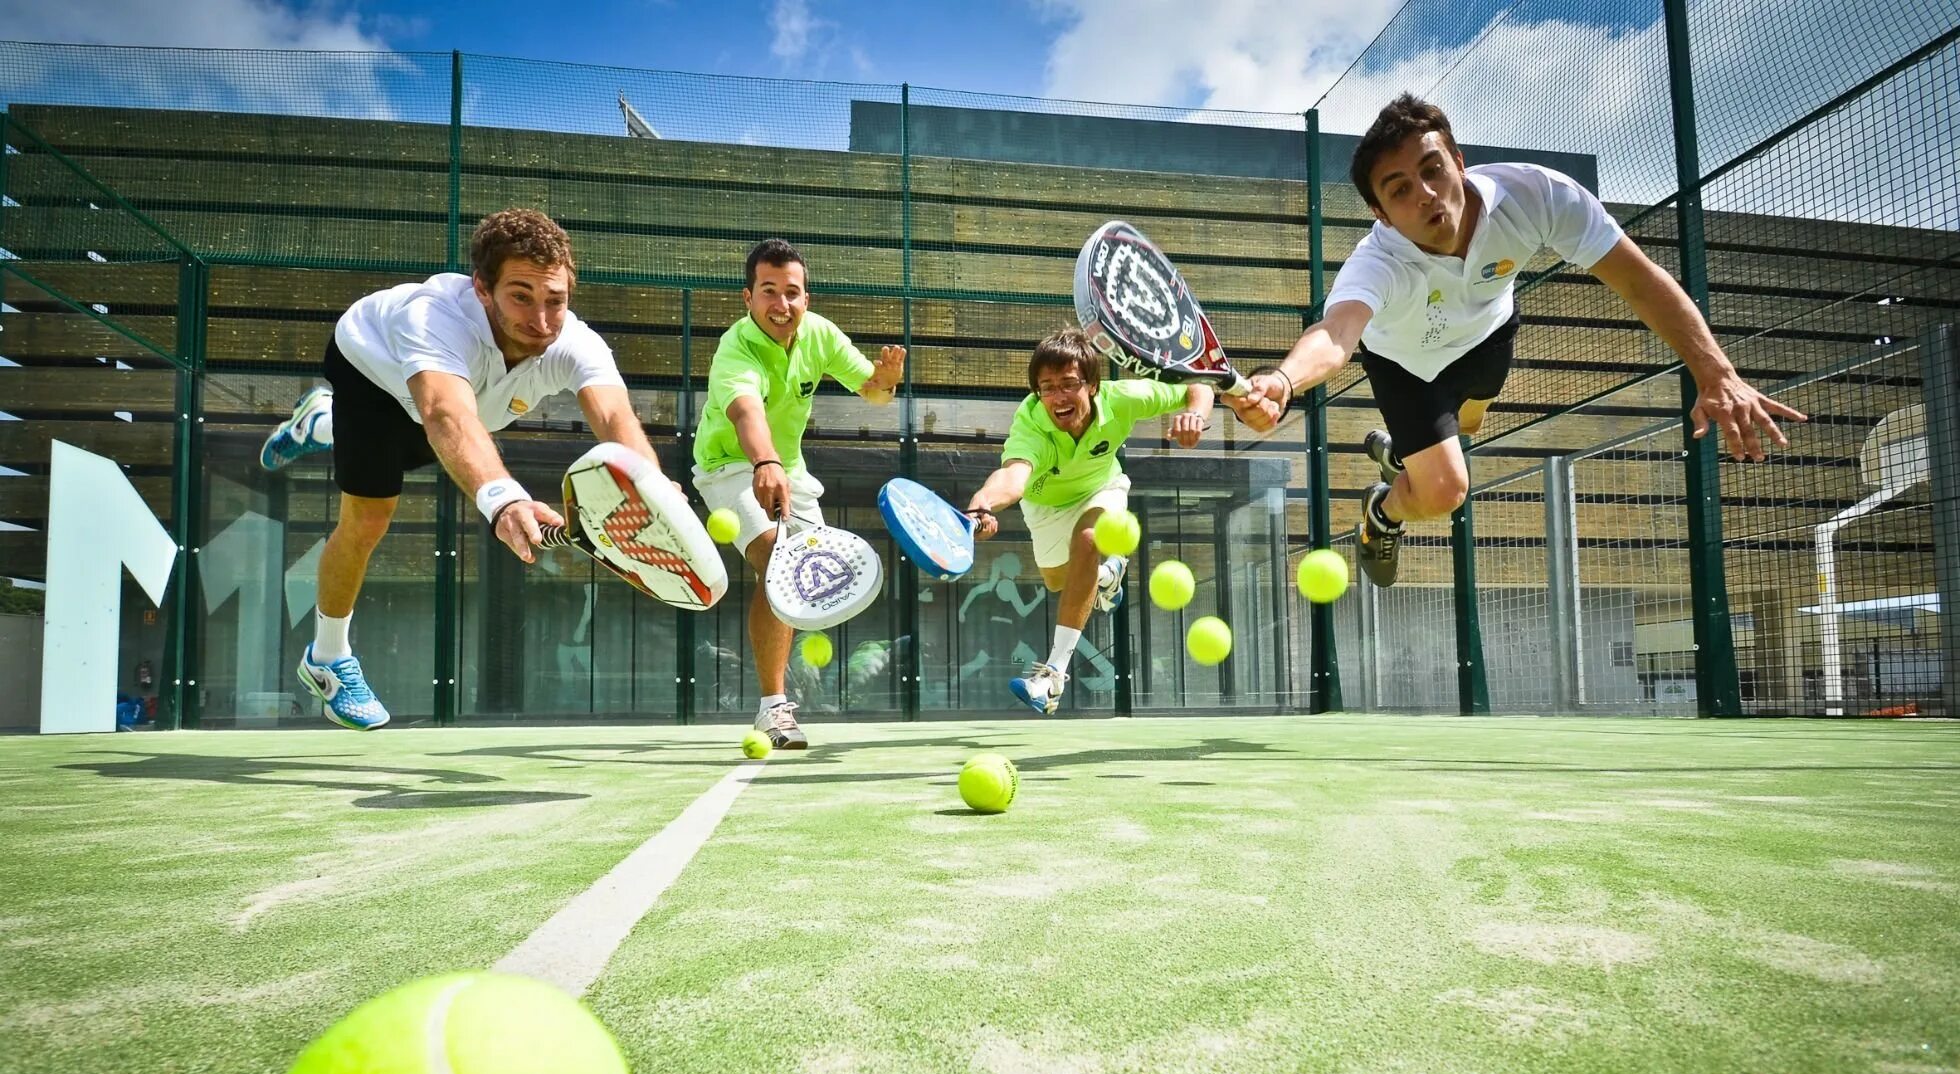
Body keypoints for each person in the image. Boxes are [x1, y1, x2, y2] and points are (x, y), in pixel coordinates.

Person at [1222, 94, 1805, 587]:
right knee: (1447, 490)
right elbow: (1336, 333)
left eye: (1432, 169)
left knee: (1467, 430)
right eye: (1399, 189)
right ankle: (1383, 510)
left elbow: (1638, 279)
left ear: (1458, 160)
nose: (1424, 193)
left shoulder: (1537, 196)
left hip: (1488, 335)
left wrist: (1717, 372)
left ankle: (1401, 453)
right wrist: (1282, 379)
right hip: (1405, 365)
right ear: (1380, 212)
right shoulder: (1377, 263)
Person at [258, 208, 673, 729]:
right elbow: (444, 414)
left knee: (434, 447)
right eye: (521, 296)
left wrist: (652, 489)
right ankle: (327, 658)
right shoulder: (433, 318)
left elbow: (616, 417)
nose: (541, 321)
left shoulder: (574, 341)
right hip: (374, 372)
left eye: (556, 300)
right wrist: (505, 500)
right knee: (370, 516)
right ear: (482, 288)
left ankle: (321, 423)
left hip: (460, 403)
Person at [693, 238, 905, 749]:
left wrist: (889, 380)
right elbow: (746, 412)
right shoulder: (735, 347)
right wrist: (764, 462)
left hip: (791, 472)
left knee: (806, 579)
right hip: (728, 465)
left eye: (792, 292)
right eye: (769, 291)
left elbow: (872, 392)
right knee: (776, 561)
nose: (781, 304)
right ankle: (773, 708)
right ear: (748, 298)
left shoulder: (820, 335)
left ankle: (790, 680)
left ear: (806, 298)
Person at [963, 326, 1214, 715]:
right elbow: (1013, 477)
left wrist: (1195, 415)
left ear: (1093, 385)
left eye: (1068, 384)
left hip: (1102, 487)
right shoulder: (1031, 425)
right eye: (1046, 388)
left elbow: (1198, 383)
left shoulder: (1124, 399)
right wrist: (983, 504)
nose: (1057, 397)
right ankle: (1105, 576)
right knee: (1058, 581)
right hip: (1045, 504)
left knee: (1088, 539)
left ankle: (1051, 677)